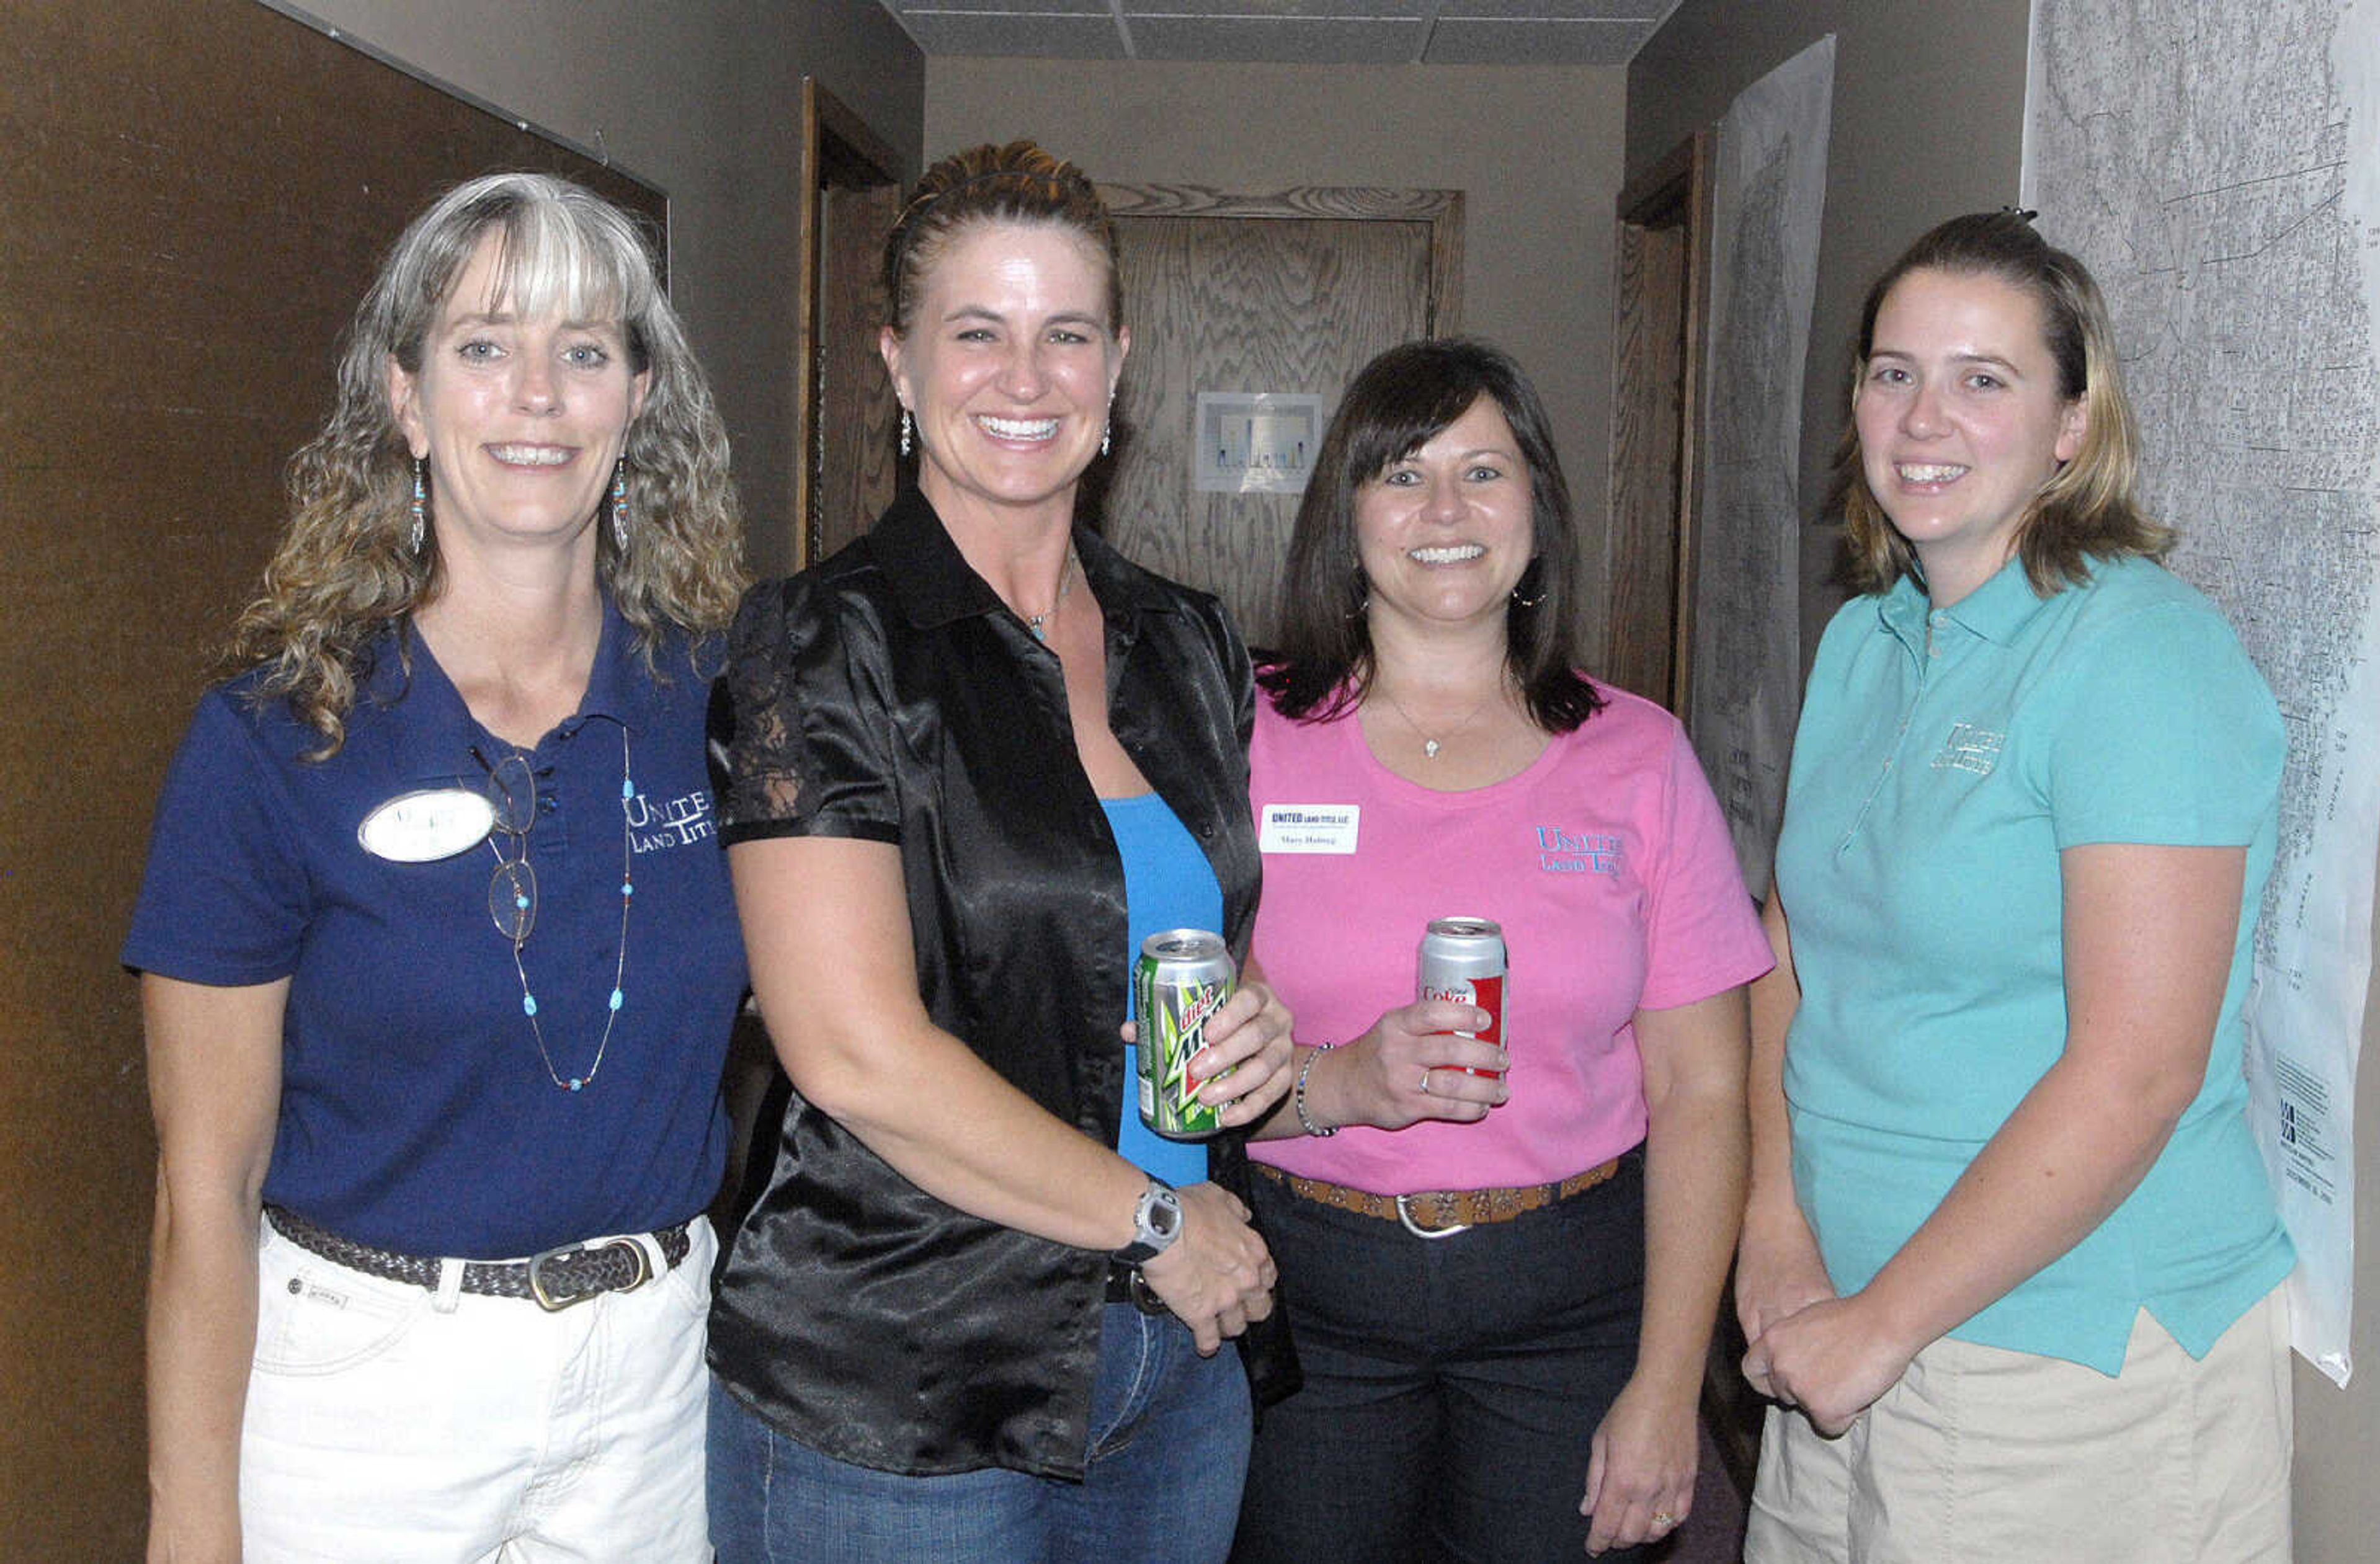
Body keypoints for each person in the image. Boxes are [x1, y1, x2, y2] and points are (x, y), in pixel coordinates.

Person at [126, 172, 750, 1562]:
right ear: (406, 401)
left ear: (636, 400)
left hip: (655, 1390)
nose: (536, 395)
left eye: (584, 352)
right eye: (483, 347)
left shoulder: (725, 704)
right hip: (366, 1406)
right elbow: (203, 1192)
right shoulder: (275, 737)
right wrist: (189, 1521)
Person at [704, 140, 1298, 1564]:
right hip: (907, 1393)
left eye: (1065, 334)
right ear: (900, 365)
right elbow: (852, 1050)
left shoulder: (1191, 639)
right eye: (978, 333)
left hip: (1175, 1369)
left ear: (1119, 364)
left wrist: (1260, 1033)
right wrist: (1159, 1216)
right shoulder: (821, 640)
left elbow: (1184, 949)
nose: (1024, 379)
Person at [1736, 211, 2294, 1563]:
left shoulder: (2139, 654)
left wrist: (1881, 1323)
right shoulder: (1870, 642)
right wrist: (1773, 1222)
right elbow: (1791, 943)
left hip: (2062, 1354)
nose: (1924, 417)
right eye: (1892, 372)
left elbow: (2139, 1072)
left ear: (2070, 424)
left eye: (1984, 379)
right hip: (1843, 1311)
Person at [1231, 338, 1772, 1563]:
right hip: (1306, 1283)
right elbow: (1173, 1042)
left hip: (1570, 1295)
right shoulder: (1244, 734)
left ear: (1538, 510)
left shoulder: (1639, 757)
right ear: (1346, 514)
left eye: (1484, 471)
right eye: (1403, 473)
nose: (1444, 512)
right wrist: (1335, 1083)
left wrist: (1669, 1383)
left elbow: (1705, 1090)